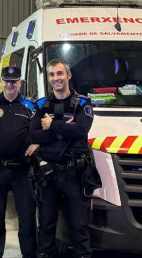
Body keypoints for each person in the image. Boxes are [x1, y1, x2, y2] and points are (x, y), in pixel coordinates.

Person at [30, 59, 95, 258]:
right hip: (48, 175)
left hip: (74, 176)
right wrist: (63, 130)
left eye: (59, 73)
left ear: (68, 75)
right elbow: (33, 135)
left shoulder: (83, 103)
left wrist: (51, 125)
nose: (56, 78)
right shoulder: (41, 104)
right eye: (51, 75)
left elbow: (82, 129)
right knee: (46, 225)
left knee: (79, 226)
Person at [0, 66, 38, 258]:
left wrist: (37, 144)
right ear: (1, 81)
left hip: (23, 171)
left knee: (27, 219)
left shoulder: (30, 106)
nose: (10, 84)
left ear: (20, 82)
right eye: (7, 80)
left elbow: (40, 131)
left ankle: (29, 254)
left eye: (14, 80)